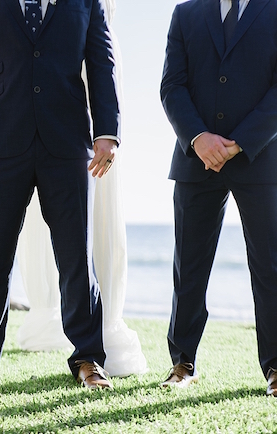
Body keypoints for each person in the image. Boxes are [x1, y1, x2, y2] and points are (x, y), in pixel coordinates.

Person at [0, 0, 121, 389]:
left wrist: (107, 130)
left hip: (69, 141)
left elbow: (101, 61)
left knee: (76, 255)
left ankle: (88, 358)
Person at [14, 0, 148, 378]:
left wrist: (106, 130)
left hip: (88, 104)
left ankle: (94, 340)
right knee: (42, 229)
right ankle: (50, 314)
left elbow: (102, 54)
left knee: (89, 228)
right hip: (35, 107)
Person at [160, 0, 277, 395]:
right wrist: (198, 138)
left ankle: (276, 367)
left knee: (270, 266)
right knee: (189, 267)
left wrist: (241, 142)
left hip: (259, 159)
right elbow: (171, 85)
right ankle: (182, 363)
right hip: (196, 159)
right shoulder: (185, 14)